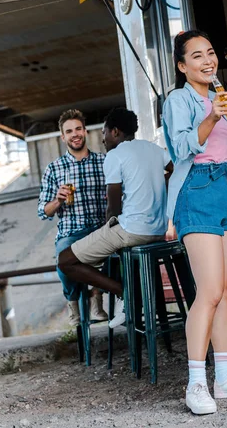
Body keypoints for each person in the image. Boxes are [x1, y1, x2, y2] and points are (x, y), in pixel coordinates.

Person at [162, 30, 227, 416]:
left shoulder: (219, 95)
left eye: (210, 54)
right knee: (207, 290)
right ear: (182, 66)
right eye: (197, 56)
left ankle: (224, 376)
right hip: (197, 189)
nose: (207, 61)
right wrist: (212, 116)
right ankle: (195, 383)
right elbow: (182, 145)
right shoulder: (180, 99)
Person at [58, 107, 173, 328]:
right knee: (108, 255)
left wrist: (106, 226)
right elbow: (175, 169)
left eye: (104, 132)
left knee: (65, 261)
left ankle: (126, 294)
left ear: (116, 132)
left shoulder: (115, 155)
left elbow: (114, 208)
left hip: (131, 231)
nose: (102, 138)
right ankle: (126, 294)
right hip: (158, 231)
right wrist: (159, 188)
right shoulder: (153, 149)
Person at [38, 109, 108, 326]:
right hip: (70, 232)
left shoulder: (104, 161)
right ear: (63, 137)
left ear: (85, 131)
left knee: (116, 255)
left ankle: (97, 300)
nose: (75, 134)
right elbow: (43, 211)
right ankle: (74, 304)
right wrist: (58, 200)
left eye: (78, 129)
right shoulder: (54, 168)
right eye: (69, 131)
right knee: (62, 259)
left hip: (100, 229)